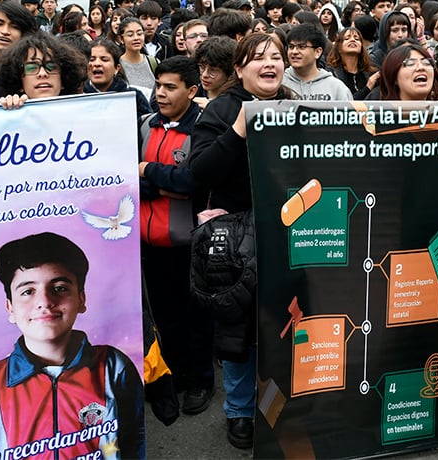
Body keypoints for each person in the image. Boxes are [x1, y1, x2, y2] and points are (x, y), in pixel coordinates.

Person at [189, 32, 295, 450]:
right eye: (258, 58)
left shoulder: (293, 104)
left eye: (276, 56)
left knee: (285, 326)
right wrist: (239, 128)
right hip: (237, 243)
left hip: (290, 234)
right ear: (238, 69)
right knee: (240, 330)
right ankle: (239, 412)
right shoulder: (221, 109)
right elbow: (201, 171)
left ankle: (278, 408)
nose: (269, 64)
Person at [0, 232, 145, 460]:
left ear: (81, 299)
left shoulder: (114, 368)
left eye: (60, 287)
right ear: (10, 308)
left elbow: (134, 442)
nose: (44, 301)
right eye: (27, 291)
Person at [138, 55, 216, 416]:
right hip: (149, 244)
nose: (161, 94)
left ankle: (200, 381)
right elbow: (127, 180)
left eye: (171, 87)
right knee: (164, 317)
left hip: (189, 242)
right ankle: (176, 376)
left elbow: (191, 184)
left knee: (195, 319)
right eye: (158, 86)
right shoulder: (144, 126)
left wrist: (148, 172)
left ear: (193, 90)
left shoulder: (202, 128)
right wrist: (156, 184)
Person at [85, 37, 153, 120]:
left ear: (117, 68)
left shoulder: (134, 96)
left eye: (104, 59)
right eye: (92, 59)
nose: (97, 63)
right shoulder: (77, 96)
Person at [284, 23, 352, 100]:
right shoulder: (279, 83)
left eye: (302, 47)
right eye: (291, 47)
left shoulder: (336, 88)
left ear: (318, 52)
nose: (294, 51)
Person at [328, 26, 378, 100]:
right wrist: (367, 88)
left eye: (357, 39)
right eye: (347, 38)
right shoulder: (331, 73)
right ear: (339, 46)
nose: (352, 40)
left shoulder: (371, 72)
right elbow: (344, 102)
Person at [193, 35, 236, 109]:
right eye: (202, 67)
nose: (204, 75)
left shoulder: (236, 102)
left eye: (213, 70)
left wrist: (212, 109)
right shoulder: (193, 92)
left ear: (230, 72)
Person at [119, 17, 157, 97]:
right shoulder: (117, 66)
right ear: (121, 39)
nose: (136, 38)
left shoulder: (154, 62)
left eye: (139, 34)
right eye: (130, 35)